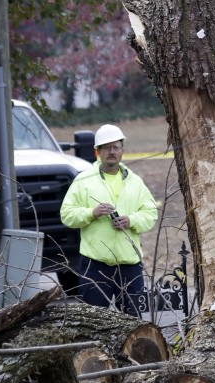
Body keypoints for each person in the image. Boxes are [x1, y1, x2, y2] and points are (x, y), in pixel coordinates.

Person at [60, 123, 157, 315]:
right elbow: (67, 214)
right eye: (106, 147)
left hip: (129, 266)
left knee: (133, 324)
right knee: (93, 324)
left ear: (122, 150)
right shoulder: (83, 180)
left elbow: (151, 213)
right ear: (97, 151)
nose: (111, 152)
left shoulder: (135, 182)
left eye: (116, 147)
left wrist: (131, 220)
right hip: (95, 266)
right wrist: (91, 213)